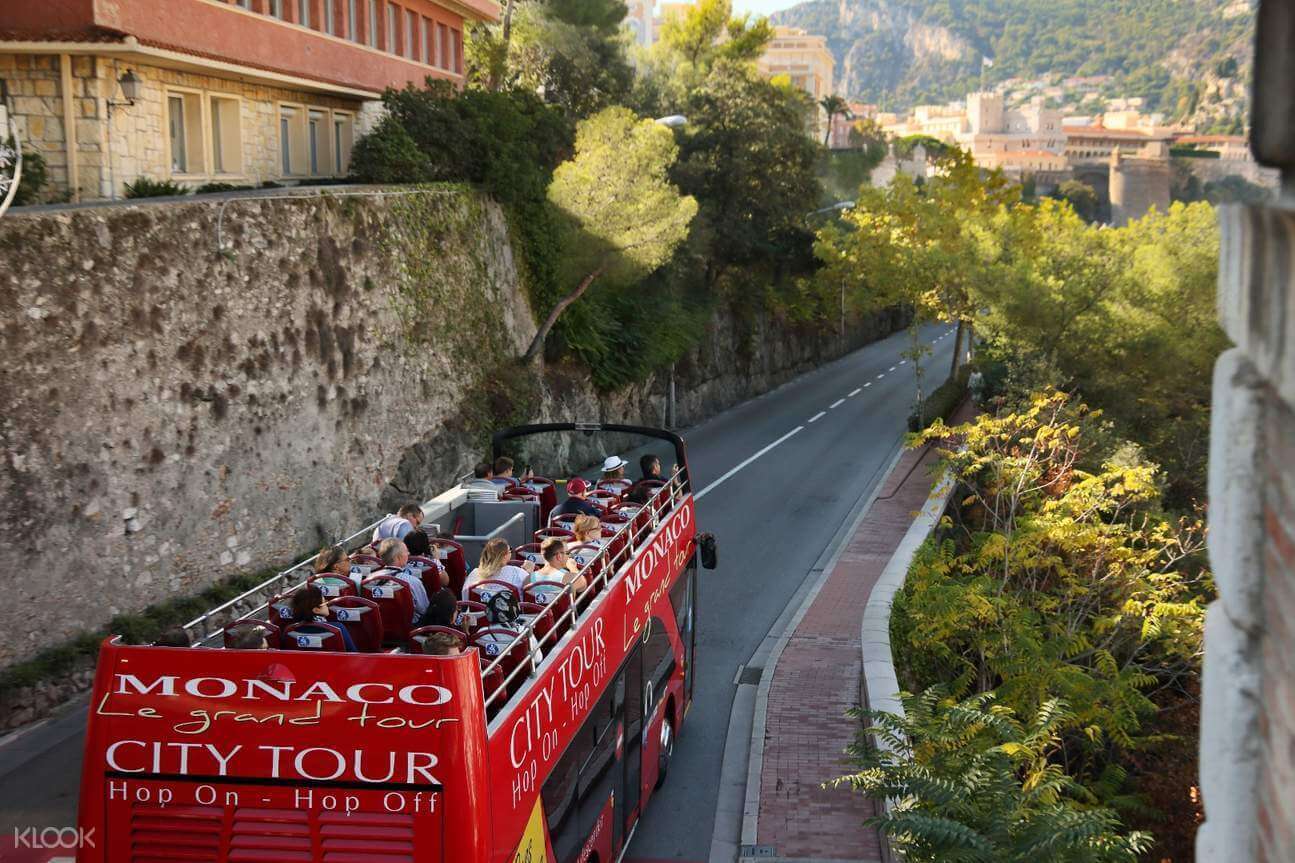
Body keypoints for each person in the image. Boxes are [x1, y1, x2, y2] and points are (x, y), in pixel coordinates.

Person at [373, 538, 430, 624]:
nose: (408, 553)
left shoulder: (369, 580)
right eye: (406, 551)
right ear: (398, 557)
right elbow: (424, 609)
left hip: (379, 628)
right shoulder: (413, 582)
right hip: (409, 629)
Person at [290, 585, 357, 652]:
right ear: (316, 610)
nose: (327, 604)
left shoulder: (290, 630)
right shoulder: (337, 628)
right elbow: (353, 654)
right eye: (324, 602)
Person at [463, 537, 533, 600]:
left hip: (480, 614)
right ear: (505, 556)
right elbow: (530, 595)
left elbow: (465, 597)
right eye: (510, 550)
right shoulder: (517, 572)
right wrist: (529, 573)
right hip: (510, 614)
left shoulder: (474, 573)